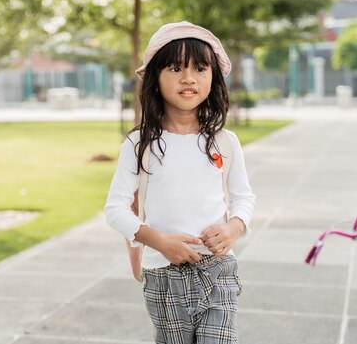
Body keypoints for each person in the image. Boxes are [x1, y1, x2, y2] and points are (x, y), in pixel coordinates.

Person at [104, 21, 256, 344]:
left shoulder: (225, 142)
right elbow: (115, 209)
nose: (188, 78)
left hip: (218, 272)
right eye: (175, 68)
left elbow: (244, 198)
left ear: (212, 77)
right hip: (163, 278)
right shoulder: (138, 144)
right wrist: (158, 241)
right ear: (156, 79)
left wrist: (232, 230)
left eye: (200, 68)